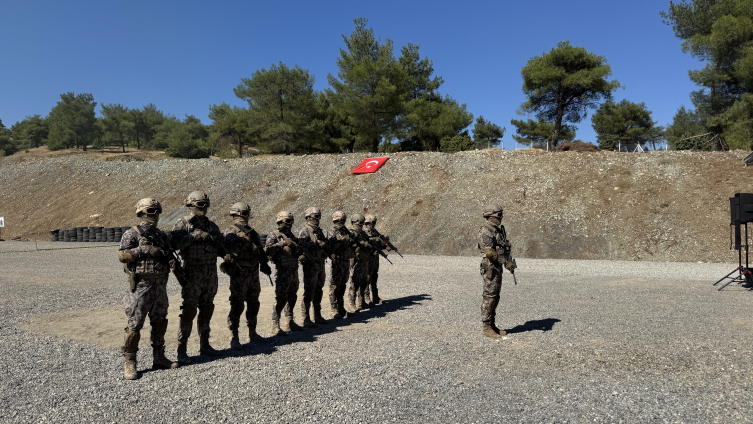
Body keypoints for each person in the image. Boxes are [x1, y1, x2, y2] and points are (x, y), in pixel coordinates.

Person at [118, 198, 193, 380]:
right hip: (142, 287)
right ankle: (130, 361)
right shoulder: (132, 233)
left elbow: (168, 253)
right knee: (134, 326)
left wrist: (171, 262)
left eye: (157, 211)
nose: (155, 215)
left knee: (160, 323)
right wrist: (144, 250)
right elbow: (122, 255)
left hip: (160, 286)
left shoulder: (160, 235)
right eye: (150, 211)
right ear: (141, 212)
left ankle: (159, 357)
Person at [172, 191, 223, 363]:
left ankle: (205, 345)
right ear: (190, 205)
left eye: (205, 204)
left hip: (210, 273)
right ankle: (182, 349)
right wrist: (196, 235)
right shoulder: (183, 224)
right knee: (189, 310)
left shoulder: (212, 226)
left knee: (207, 308)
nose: (203, 208)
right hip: (192, 272)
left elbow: (221, 246)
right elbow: (175, 244)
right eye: (199, 204)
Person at [220, 202, 272, 349]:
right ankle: (234, 337)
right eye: (243, 213)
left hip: (253, 272)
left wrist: (264, 264)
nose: (245, 217)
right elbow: (229, 247)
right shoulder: (231, 230)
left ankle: (252, 332)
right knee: (237, 304)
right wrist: (249, 246)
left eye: (246, 213)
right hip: (240, 272)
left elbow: (260, 251)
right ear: (236, 214)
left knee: (254, 303)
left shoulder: (252, 231)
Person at [478, 204, 515, 339]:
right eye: (499, 214)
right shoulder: (486, 230)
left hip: (497, 266)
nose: (501, 217)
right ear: (491, 215)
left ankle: (492, 324)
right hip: (490, 267)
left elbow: (502, 247)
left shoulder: (497, 230)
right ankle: (486, 327)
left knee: (495, 296)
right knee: (489, 297)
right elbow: (490, 253)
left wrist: (508, 260)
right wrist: (504, 261)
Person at [264, 211, 303, 335]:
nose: (288, 224)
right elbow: (267, 250)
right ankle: (275, 325)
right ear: (279, 221)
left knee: (293, 296)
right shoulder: (274, 235)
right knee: (281, 298)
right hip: (282, 272)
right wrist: (283, 243)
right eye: (286, 221)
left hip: (293, 271)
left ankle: (290, 322)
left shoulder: (292, 235)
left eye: (290, 221)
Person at [297, 207, 329, 327]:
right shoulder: (305, 230)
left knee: (319, 290)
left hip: (320, 263)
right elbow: (301, 245)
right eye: (316, 216)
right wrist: (316, 243)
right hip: (310, 265)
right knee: (309, 291)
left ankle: (318, 315)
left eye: (318, 216)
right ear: (308, 217)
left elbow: (325, 245)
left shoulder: (319, 231)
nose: (318, 219)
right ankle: (306, 318)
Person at [326, 211, 353, 319]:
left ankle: (341, 308)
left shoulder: (345, 231)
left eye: (342, 220)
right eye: (339, 220)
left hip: (345, 261)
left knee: (342, 286)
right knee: (334, 286)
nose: (340, 222)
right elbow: (330, 246)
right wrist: (342, 240)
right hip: (337, 262)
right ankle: (334, 309)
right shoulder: (332, 232)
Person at [363, 214, 390, 307]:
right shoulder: (363, 231)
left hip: (375, 258)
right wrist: (375, 239)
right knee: (367, 277)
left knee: (374, 276)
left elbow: (380, 243)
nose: (373, 225)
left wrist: (385, 245)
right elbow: (365, 242)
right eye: (372, 223)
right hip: (367, 258)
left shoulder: (374, 231)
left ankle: (375, 296)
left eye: (374, 223)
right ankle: (366, 297)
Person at [348, 213, 372, 312]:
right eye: (357, 222)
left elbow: (369, 241)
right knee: (355, 283)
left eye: (361, 223)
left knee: (364, 281)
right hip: (356, 261)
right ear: (353, 222)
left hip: (364, 260)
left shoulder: (363, 233)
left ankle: (361, 301)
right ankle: (351, 303)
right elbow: (349, 243)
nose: (359, 224)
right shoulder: (351, 232)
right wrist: (362, 243)